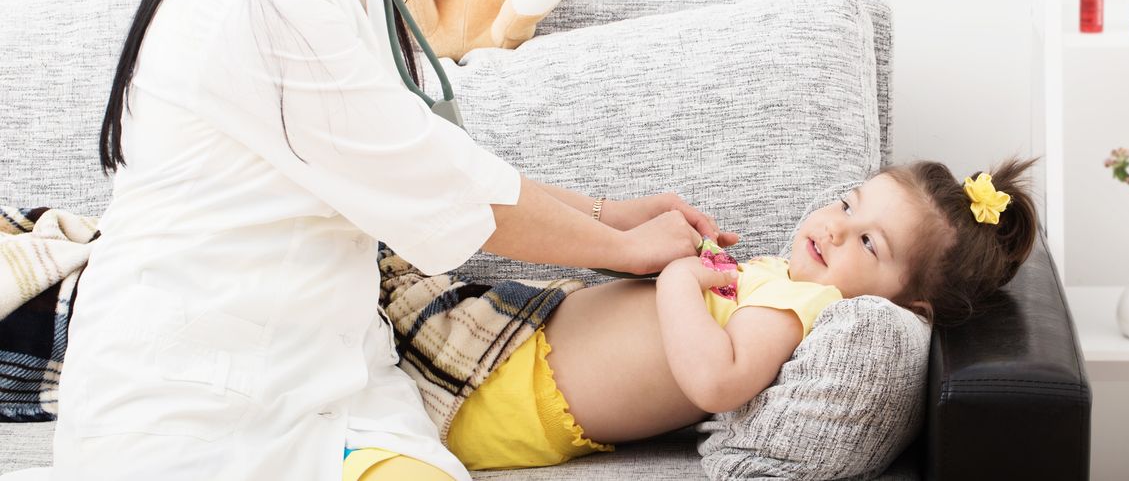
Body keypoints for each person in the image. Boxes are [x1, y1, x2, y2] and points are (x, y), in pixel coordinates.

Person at [49, 0, 734, 480]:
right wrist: (617, 243)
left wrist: (611, 212)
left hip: (330, 384)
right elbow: (437, 182)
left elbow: (429, 156)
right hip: (196, 413)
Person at [387, 158, 1039, 471]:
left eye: (870, 242)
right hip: (517, 340)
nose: (837, 228)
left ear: (904, 301)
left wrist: (676, 279)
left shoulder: (806, 304)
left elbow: (716, 378)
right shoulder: (781, 280)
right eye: (847, 204)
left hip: (504, 390)